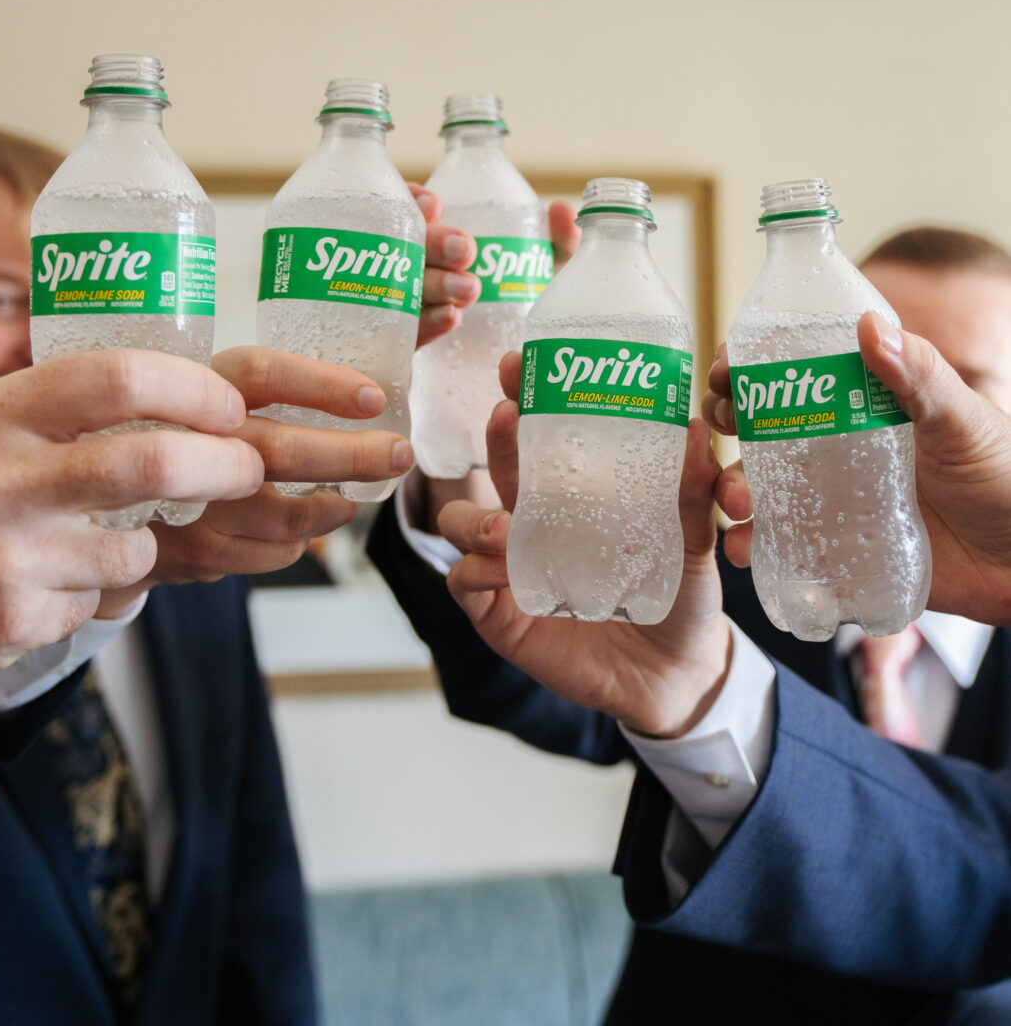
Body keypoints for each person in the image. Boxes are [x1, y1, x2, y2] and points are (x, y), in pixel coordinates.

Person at [370, 222, 1011, 1019]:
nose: (894, 418)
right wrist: (463, 425)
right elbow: (528, 680)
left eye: (948, 386)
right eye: (855, 376)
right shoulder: (718, 563)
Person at [0, 127, 475, 1024]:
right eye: (3, 299)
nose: (56, 344)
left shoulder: (192, 557)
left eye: (92, 296)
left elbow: (253, 883)